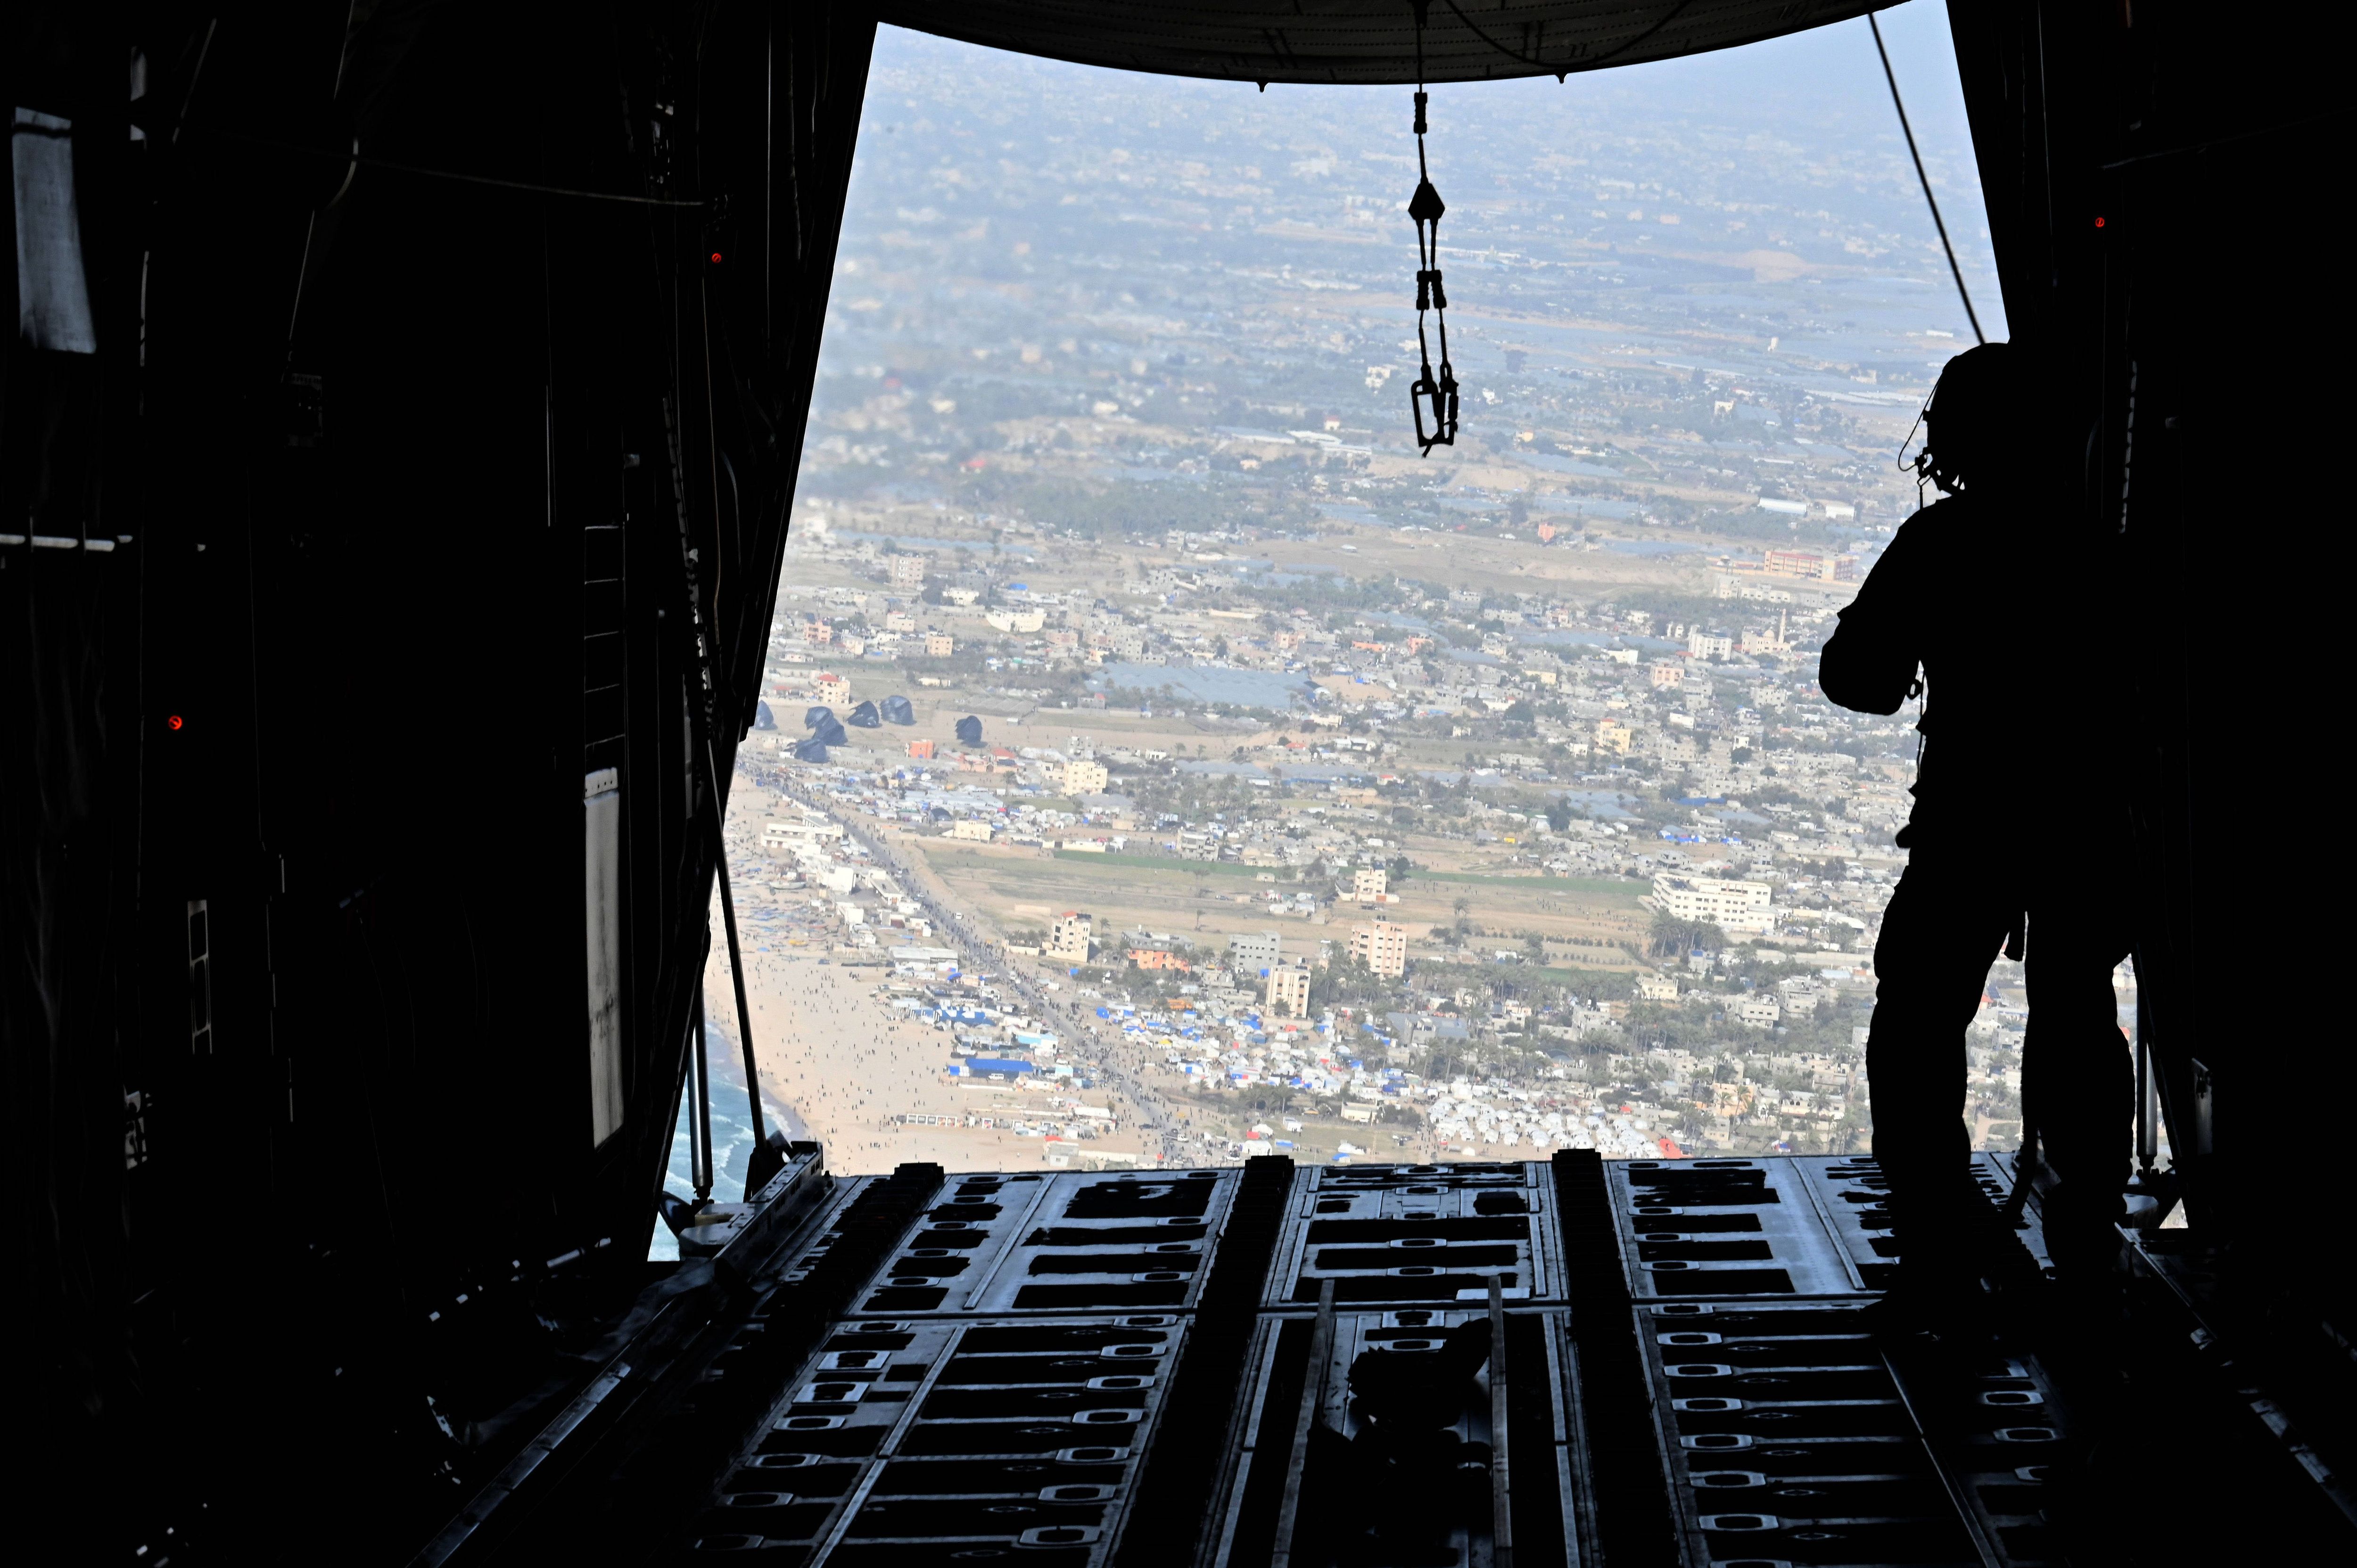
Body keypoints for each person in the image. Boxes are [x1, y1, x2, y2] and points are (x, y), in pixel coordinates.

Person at [1820, 341, 2131, 1328]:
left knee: (1915, 1025)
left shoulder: (1945, 544)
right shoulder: (2112, 548)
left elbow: (1858, 679)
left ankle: (1937, 1264)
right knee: (2077, 1015)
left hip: (1972, 822)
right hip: (2090, 821)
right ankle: (2089, 1253)